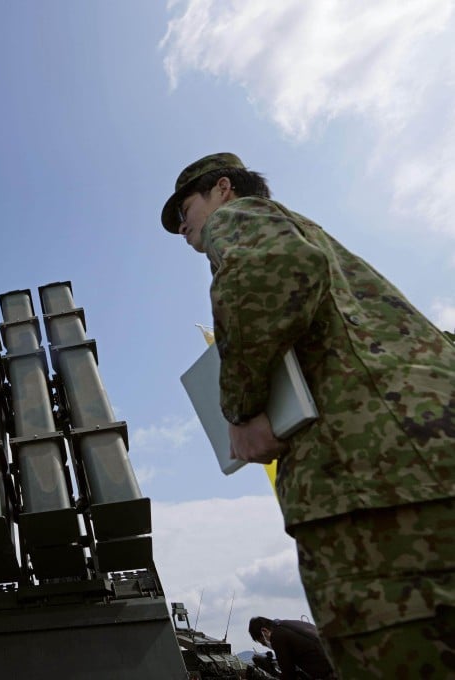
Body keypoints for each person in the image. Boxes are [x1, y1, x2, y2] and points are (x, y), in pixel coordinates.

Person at [161, 153, 455, 678]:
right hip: (423, 463)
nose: (183, 228)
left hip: (371, 484)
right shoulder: (326, 246)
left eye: (186, 209)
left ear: (223, 190)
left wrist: (242, 409)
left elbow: (273, 270)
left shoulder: (241, 218)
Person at [248, 616, 335, 680]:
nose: (266, 645)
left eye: (263, 642)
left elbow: (288, 674)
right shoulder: (291, 624)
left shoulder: (277, 636)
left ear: (264, 631)